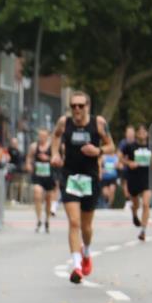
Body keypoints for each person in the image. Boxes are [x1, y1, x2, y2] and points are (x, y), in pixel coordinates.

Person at [51, 91, 114, 284]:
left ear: (88, 106)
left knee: (86, 226)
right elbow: (55, 136)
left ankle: (86, 251)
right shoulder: (64, 122)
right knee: (74, 222)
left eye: (81, 105)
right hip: (70, 176)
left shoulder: (99, 123)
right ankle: (77, 266)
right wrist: (55, 154)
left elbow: (111, 146)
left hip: (91, 178)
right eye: (73, 106)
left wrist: (98, 151)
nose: (76, 109)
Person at [119, 123, 152, 241]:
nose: (142, 134)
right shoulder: (130, 146)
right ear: (137, 134)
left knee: (146, 204)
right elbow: (119, 157)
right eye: (140, 132)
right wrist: (129, 163)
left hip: (147, 178)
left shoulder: (151, 146)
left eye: (144, 132)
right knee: (136, 204)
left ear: (147, 134)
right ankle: (134, 214)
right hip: (134, 178)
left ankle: (143, 231)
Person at [26, 129, 56, 233]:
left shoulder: (52, 147)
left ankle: (47, 220)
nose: (42, 138)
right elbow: (29, 158)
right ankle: (38, 219)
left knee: (48, 199)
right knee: (37, 194)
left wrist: (48, 159)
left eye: (44, 136)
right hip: (38, 175)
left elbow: (57, 159)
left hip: (49, 176)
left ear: (48, 136)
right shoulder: (34, 146)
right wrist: (29, 165)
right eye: (40, 136)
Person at [117, 125, 136, 209]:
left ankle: (136, 201)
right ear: (126, 134)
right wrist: (120, 163)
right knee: (126, 184)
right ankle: (128, 201)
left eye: (131, 132)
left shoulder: (137, 143)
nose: (130, 134)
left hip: (136, 167)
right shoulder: (123, 143)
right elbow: (119, 155)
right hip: (126, 167)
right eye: (128, 132)